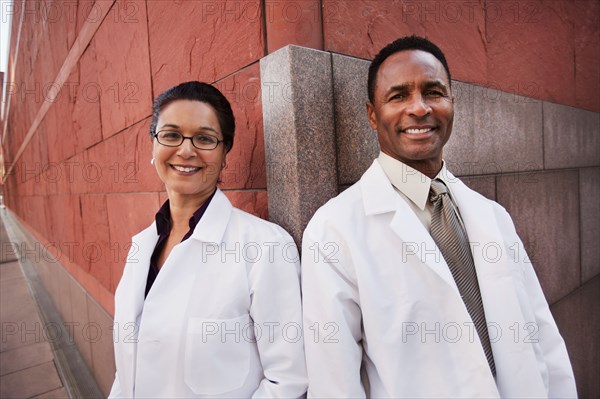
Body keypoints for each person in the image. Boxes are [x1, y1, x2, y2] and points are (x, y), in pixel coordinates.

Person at [301, 36, 576, 398]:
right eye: (398, 96)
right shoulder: (334, 229)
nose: (419, 108)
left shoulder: (491, 215)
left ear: (451, 103)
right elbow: (334, 381)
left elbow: (542, 336)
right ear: (372, 114)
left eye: (433, 92)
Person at [109, 81, 307, 398]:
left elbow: (289, 380)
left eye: (204, 138)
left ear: (224, 153)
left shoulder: (265, 247)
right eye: (171, 135)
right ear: (153, 146)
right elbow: (127, 367)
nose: (186, 150)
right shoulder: (141, 247)